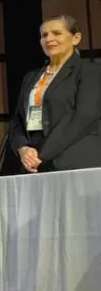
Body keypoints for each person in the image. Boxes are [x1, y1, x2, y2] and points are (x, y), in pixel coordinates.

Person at [9, 15, 101, 173]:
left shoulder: (89, 71)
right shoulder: (31, 77)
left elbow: (83, 116)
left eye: (57, 33)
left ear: (76, 38)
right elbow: (18, 120)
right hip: (36, 164)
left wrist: (43, 154)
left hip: (76, 161)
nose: (49, 38)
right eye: (44, 35)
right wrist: (23, 148)